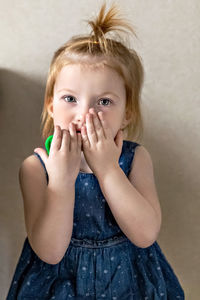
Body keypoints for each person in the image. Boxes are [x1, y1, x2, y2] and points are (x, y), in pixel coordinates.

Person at [6, 3, 185, 299]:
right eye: (70, 98)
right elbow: (49, 252)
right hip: (60, 286)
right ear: (52, 106)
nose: (85, 114)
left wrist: (108, 170)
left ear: (126, 113)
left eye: (103, 102)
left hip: (128, 283)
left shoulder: (135, 159)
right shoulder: (36, 168)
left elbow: (145, 235)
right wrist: (61, 181)